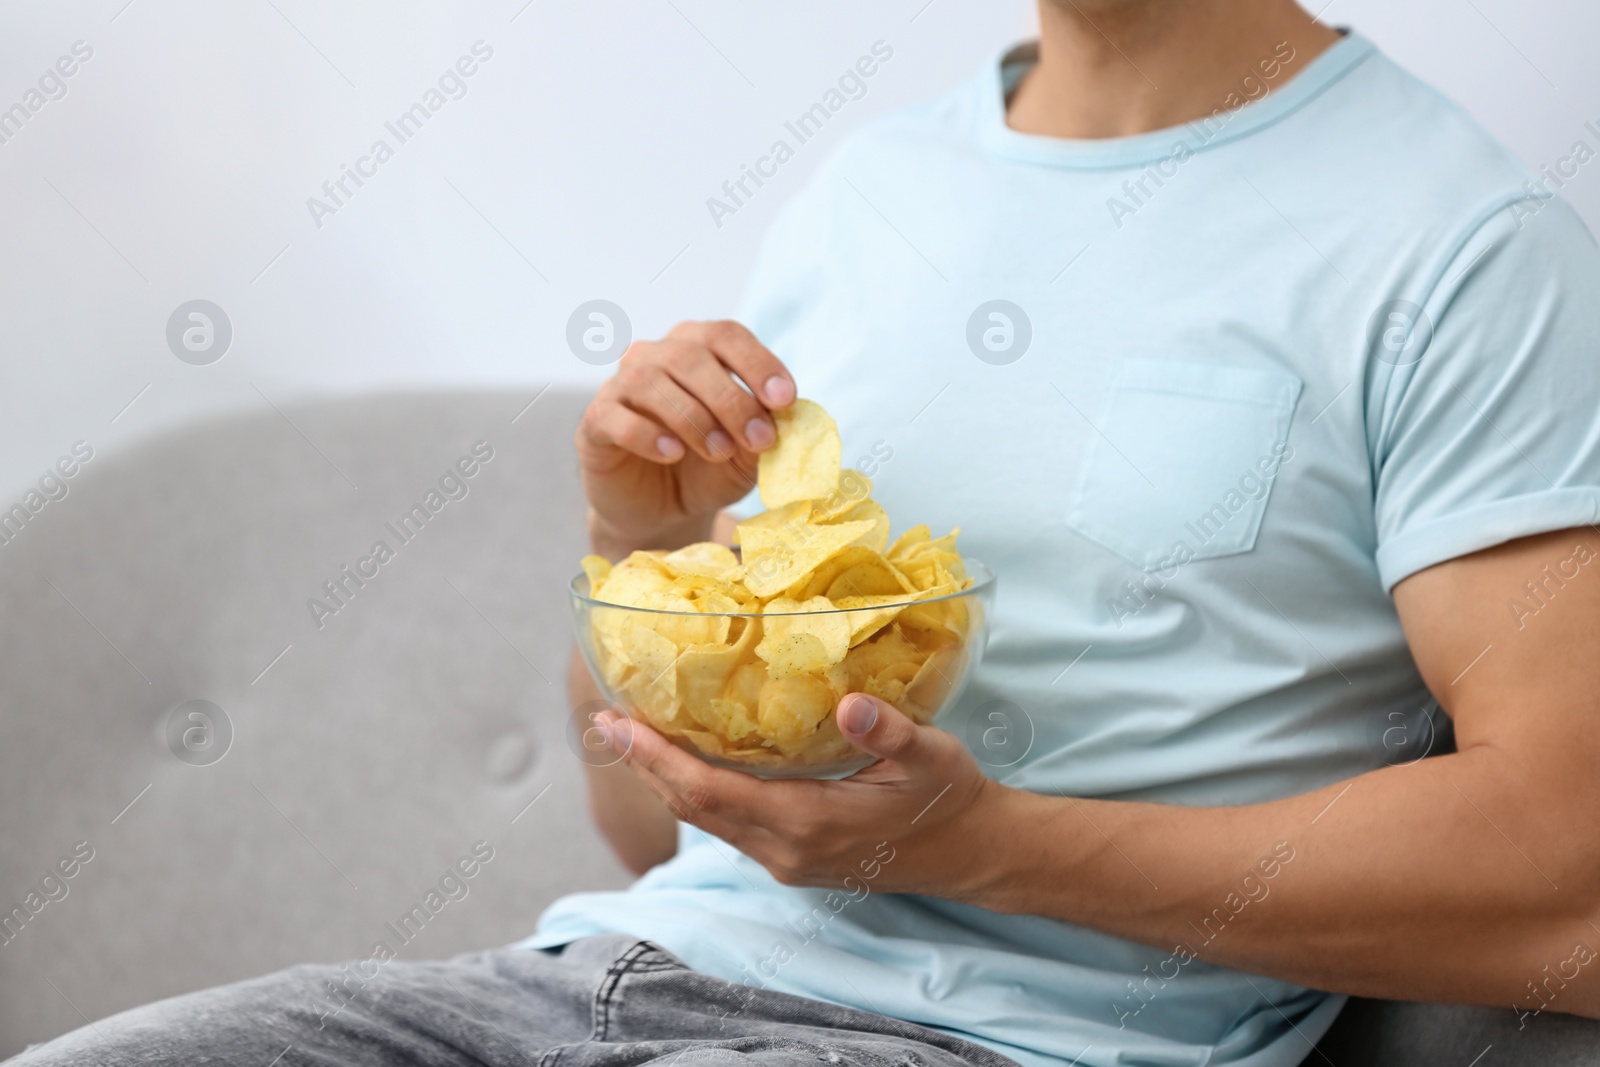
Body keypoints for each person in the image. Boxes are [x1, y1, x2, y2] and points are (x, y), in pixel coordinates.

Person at [14, 0, 1600, 1064]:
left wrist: (989, 852)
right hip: (580, 983)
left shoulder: (1464, 247)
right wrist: (647, 550)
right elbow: (653, 833)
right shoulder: (871, 189)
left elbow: (1570, 892)